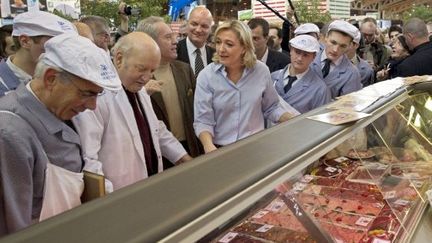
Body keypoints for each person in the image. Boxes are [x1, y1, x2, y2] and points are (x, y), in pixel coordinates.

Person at [0, 33, 121, 236]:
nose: (92, 106)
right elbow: (15, 230)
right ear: (51, 79)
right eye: (86, 94)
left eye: (97, 94)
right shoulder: (10, 134)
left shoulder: (61, 112)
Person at [73, 32, 192, 191]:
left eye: (152, 70)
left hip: (149, 185)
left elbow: (155, 128)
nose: (146, 77)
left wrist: (182, 157)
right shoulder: (97, 96)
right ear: (119, 58)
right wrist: (106, 195)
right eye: (142, 69)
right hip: (118, 194)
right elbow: (89, 159)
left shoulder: (138, 88)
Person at [194, 20, 293, 154]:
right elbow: (203, 120)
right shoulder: (206, 76)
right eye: (218, 42)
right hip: (220, 150)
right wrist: (209, 147)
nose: (221, 49)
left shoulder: (261, 71)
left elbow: (272, 107)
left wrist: (296, 120)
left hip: (256, 148)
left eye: (229, 44)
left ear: (244, 47)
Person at [136, 16, 202, 157]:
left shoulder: (184, 70)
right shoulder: (137, 79)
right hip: (158, 154)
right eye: (168, 37)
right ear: (150, 42)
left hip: (189, 148)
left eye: (174, 36)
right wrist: (142, 93)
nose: (175, 41)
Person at [0, 11, 76, 97]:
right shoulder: (3, 85)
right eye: (55, 44)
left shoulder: (60, 77)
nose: (63, 51)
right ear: (25, 41)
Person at [271, 35, 331, 113]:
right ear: (291, 50)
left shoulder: (320, 90)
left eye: (306, 55)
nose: (299, 58)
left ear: (314, 57)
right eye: (297, 52)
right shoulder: (273, 77)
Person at [310, 20, 362, 99]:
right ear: (326, 37)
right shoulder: (308, 57)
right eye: (333, 42)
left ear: (350, 46)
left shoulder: (352, 74)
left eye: (342, 46)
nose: (335, 49)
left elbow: (347, 106)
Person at [176, 6, 215, 77]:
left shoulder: (215, 55)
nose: (198, 30)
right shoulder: (174, 52)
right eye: (194, 24)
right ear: (187, 24)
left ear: (210, 29)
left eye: (204, 26)